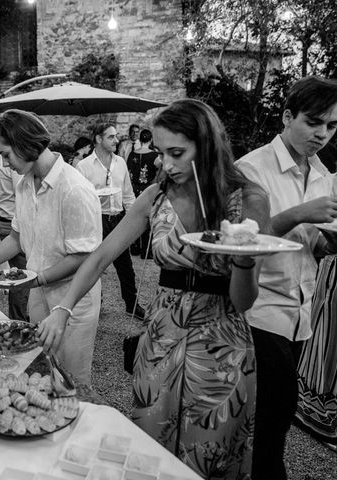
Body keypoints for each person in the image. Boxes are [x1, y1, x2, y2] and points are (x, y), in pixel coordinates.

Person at [41, 99, 270, 479]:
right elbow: (99, 257)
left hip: (222, 344)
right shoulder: (155, 196)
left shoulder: (248, 199)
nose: (166, 164)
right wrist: (63, 309)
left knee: (210, 454)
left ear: (208, 145)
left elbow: (243, 300)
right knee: (151, 449)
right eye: (161, 153)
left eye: (177, 153)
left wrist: (244, 259)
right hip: (161, 337)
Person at [235, 76, 337, 479]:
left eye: (332, 126)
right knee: (274, 417)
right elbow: (239, 242)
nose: (323, 134)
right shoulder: (251, 168)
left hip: (302, 312)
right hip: (259, 311)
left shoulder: (323, 173)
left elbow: (310, 246)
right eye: (314, 123)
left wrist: (326, 245)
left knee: (272, 419)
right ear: (286, 116)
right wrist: (298, 214)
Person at [0, 109, 102, 384]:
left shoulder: (74, 188)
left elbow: (84, 256)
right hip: (39, 291)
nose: (4, 163)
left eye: (6, 154)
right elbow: (15, 238)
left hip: (74, 298)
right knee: (41, 371)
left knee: (72, 380)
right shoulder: (23, 185)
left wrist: (37, 279)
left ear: (25, 143)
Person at [76, 124, 144, 319]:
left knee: (126, 267)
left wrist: (134, 221)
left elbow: (129, 195)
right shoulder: (84, 166)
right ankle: (97, 304)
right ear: (98, 139)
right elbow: (81, 200)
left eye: (116, 137)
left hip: (119, 218)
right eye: (111, 137)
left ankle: (132, 304)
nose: (116, 141)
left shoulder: (121, 162)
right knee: (94, 266)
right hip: (97, 219)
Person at [0, 154, 28, 321]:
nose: (6, 162)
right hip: (14, 224)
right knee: (21, 281)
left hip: (7, 221)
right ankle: (20, 324)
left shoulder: (5, 157)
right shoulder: (14, 160)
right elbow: (22, 192)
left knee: (20, 280)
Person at [127, 128, 159, 258]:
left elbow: (128, 171)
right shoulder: (154, 156)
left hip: (134, 188)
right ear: (151, 140)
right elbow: (161, 169)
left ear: (140, 139)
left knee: (135, 217)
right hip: (147, 189)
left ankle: (134, 247)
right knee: (147, 218)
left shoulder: (132, 154)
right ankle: (146, 251)